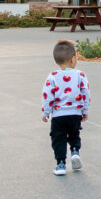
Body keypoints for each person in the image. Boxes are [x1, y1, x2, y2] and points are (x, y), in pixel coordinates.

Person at [41, 39, 91, 176]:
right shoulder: (80, 75)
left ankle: (61, 164)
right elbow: (85, 93)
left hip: (58, 115)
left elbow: (47, 95)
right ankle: (75, 151)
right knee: (74, 133)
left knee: (59, 138)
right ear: (73, 59)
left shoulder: (52, 76)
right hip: (75, 113)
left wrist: (46, 112)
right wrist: (85, 111)